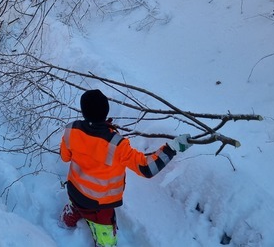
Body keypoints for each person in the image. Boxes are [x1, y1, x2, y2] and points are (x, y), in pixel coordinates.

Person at [60, 89, 192, 246]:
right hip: (100, 205)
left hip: (74, 191)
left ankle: (68, 219)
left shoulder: (71, 130)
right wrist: (172, 148)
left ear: (83, 111)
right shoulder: (116, 144)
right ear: (106, 111)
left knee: (77, 206)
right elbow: (147, 168)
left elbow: (65, 157)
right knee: (106, 236)